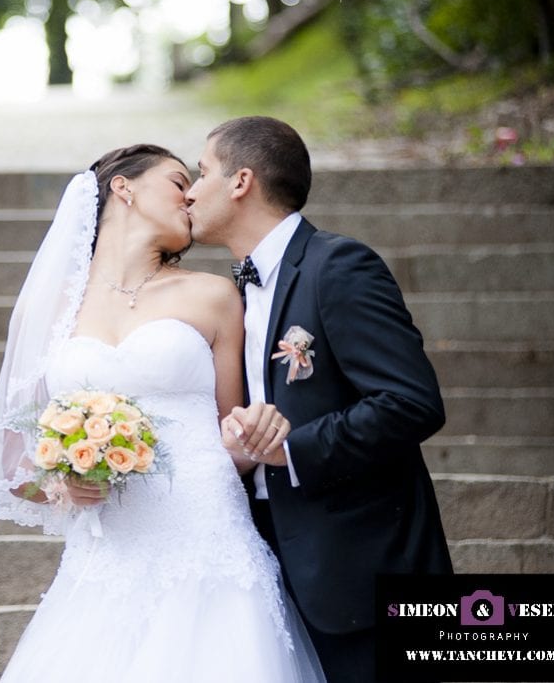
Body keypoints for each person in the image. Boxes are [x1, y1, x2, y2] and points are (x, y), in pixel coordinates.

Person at [0, 145, 325, 682]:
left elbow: (230, 434)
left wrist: (251, 437)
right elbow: (17, 465)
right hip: (107, 550)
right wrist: (64, 484)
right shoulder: (50, 306)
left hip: (206, 532)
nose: (190, 195)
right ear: (125, 188)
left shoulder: (214, 295)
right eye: (177, 181)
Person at [185, 116, 452, 682]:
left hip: (361, 567)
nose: (189, 189)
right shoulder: (233, 293)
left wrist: (293, 450)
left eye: (202, 171)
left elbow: (411, 401)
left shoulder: (339, 267)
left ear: (241, 182)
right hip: (262, 562)